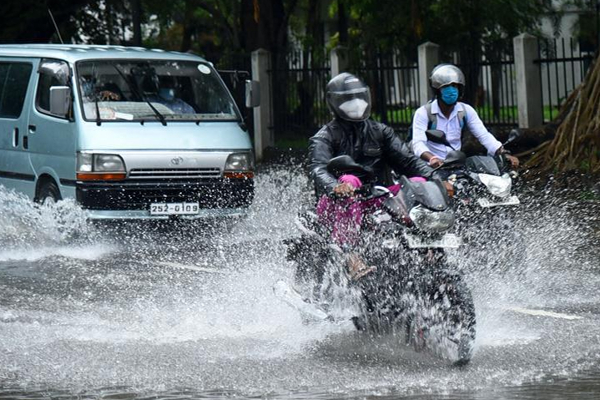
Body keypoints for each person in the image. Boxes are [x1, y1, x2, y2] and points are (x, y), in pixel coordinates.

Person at [308, 72, 435, 280]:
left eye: (359, 96)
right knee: (350, 180)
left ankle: (426, 248)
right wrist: (335, 187)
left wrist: (435, 178)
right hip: (338, 202)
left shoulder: (380, 131)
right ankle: (352, 256)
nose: (355, 103)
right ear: (335, 102)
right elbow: (318, 169)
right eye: (348, 98)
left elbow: (408, 161)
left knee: (419, 184)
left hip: (380, 198)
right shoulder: (325, 136)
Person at [411, 64, 519, 169]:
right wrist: (432, 158)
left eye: (454, 86)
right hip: (430, 168)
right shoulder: (424, 113)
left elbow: (484, 135)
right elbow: (418, 143)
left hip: (455, 165)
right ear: (437, 90)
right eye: (446, 86)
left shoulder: (465, 111)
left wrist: (503, 153)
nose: (451, 90)